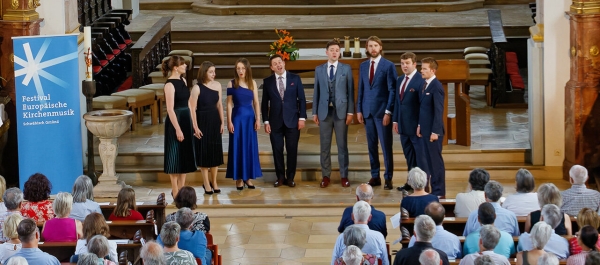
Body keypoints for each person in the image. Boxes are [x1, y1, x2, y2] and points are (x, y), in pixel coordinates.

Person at [356, 36, 397, 190]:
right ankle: (375, 175)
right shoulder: (363, 66)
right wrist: (359, 109)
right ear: (367, 48)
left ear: (380, 47)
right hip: (367, 111)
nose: (373, 48)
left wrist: (388, 111)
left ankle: (388, 177)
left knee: (386, 146)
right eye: (370, 46)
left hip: (382, 112)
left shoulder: (388, 66)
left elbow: (392, 90)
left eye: (375, 46)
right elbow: (361, 88)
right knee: (371, 146)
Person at [313, 40, 354, 188]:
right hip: (324, 111)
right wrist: (314, 112)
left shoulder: (346, 69)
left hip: (341, 111)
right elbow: (316, 91)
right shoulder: (319, 69)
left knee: (342, 145)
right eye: (332, 50)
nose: (335, 52)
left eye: (337, 50)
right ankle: (326, 175)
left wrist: (350, 111)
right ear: (327, 52)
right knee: (324, 146)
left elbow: (350, 91)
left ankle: (344, 175)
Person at [261, 54, 307, 188]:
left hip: (293, 121)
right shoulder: (268, 82)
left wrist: (302, 118)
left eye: (280, 62)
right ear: (271, 67)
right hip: (275, 122)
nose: (278, 65)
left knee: (292, 150)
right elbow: (264, 104)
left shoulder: (295, 78)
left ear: (284, 63)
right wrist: (266, 121)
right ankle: (280, 177)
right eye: (275, 64)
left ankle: (290, 177)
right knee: (277, 150)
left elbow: (302, 100)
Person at [162, 55, 198, 198]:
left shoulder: (183, 80)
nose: (185, 66)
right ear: (176, 68)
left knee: (184, 155)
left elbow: (189, 103)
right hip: (175, 121)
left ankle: (182, 189)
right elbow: (170, 109)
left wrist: (193, 123)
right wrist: (177, 129)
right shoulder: (169, 85)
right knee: (174, 155)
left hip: (185, 118)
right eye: (183, 64)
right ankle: (175, 189)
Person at [226, 58, 262, 189]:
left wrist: (258, 119)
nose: (240, 71)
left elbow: (256, 103)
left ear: (247, 69)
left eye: (243, 68)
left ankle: (248, 177)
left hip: (250, 119)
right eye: (238, 68)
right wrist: (229, 121)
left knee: (249, 147)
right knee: (238, 147)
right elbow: (229, 104)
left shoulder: (253, 83)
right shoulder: (231, 84)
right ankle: (239, 178)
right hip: (237, 118)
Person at [393, 52, 427, 193]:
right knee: (409, 157)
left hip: (416, 127)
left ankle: (423, 185)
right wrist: (395, 120)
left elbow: (423, 106)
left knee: (420, 158)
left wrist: (420, 125)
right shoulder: (400, 79)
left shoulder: (421, 80)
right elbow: (397, 102)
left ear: (414, 64)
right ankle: (410, 183)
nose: (404, 66)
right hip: (403, 126)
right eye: (402, 63)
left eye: (407, 63)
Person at [190, 61, 224, 195]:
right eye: (211, 72)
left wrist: (222, 122)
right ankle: (206, 183)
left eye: (214, 72)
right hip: (202, 121)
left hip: (215, 121)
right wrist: (195, 127)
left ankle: (214, 182)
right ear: (204, 72)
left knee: (215, 153)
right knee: (204, 154)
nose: (213, 74)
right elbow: (192, 108)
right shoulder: (197, 88)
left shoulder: (218, 85)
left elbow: (220, 105)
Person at [418, 57, 445, 197]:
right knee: (429, 162)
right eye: (421, 68)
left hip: (433, 133)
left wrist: (435, 131)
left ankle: (439, 192)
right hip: (425, 130)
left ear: (432, 70)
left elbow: (438, 110)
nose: (421, 71)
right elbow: (423, 108)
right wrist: (419, 126)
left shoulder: (436, 86)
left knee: (435, 163)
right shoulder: (425, 84)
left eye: (424, 69)